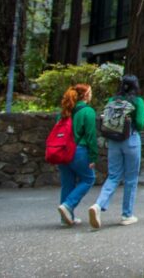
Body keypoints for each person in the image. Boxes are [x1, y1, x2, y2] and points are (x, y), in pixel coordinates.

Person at [88, 74, 144, 229]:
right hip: (131, 139)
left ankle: (98, 205)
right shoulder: (137, 101)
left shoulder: (111, 100)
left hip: (113, 141)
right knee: (131, 178)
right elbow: (140, 123)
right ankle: (127, 214)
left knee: (113, 176)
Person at [56, 83, 97, 227]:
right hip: (79, 150)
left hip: (62, 150)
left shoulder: (65, 111)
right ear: (85, 95)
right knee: (88, 178)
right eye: (90, 92)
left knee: (67, 182)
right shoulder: (88, 112)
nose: (91, 95)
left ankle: (66, 218)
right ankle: (68, 205)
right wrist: (93, 157)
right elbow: (91, 136)